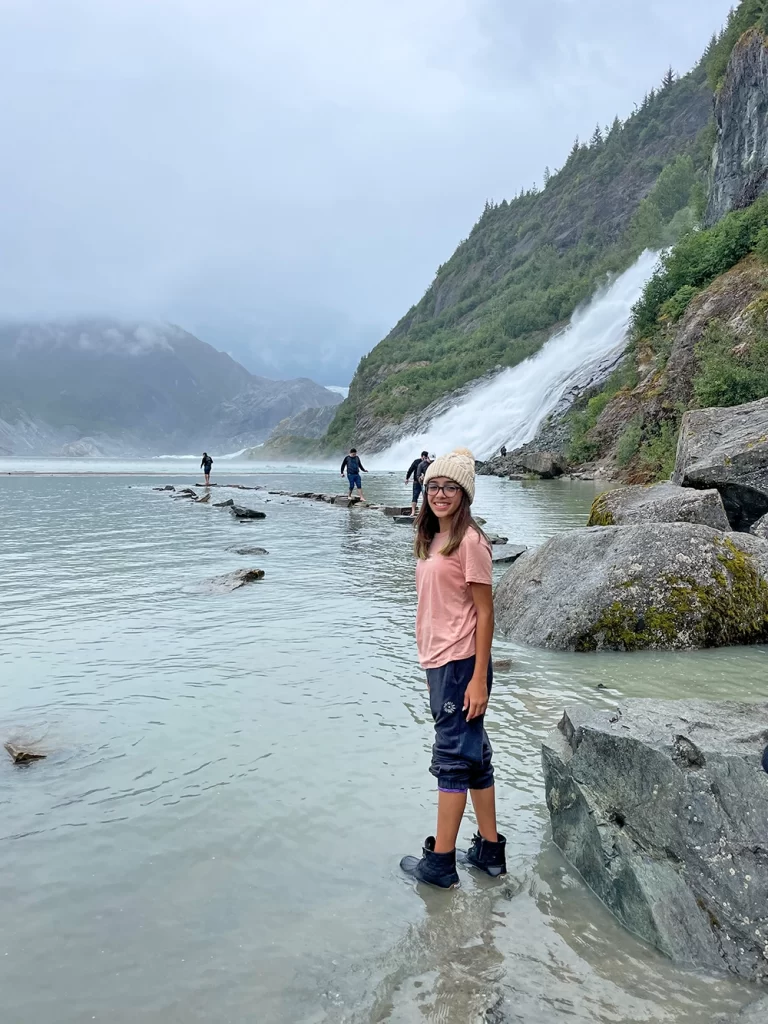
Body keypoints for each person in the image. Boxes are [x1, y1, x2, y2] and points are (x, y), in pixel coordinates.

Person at [400, 447, 505, 889]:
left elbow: (485, 612)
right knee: (474, 757)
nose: (440, 494)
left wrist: (479, 678)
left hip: (461, 664)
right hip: (440, 660)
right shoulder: (431, 536)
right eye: (434, 486)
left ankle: (441, 864)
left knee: (451, 760)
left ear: (465, 495)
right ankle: (489, 850)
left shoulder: (471, 542)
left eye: (450, 488)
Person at [405, 450, 430, 517]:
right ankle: (413, 512)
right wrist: (407, 478)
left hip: (425, 483)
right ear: (421, 456)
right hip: (416, 482)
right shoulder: (416, 462)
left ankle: (424, 511)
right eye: (424, 458)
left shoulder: (428, 463)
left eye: (426, 458)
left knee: (426, 496)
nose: (425, 459)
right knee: (415, 496)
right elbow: (410, 470)